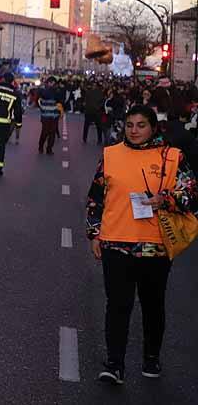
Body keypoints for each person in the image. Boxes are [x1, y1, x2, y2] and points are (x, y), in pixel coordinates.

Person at [86, 105, 197, 385]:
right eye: (129, 125)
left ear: (153, 127)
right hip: (116, 244)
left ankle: (151, 356)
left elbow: (192, 196)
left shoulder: (172, 157)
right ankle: (114, 364)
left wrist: (166, 199)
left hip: (155, 246)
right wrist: (94, 234)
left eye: (141, 125)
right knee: (118, 305)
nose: (134, 131)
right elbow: (95, 197)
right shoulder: (111, 154)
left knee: (152, 305)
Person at [37, 76, 63, 155]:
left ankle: (49, 149)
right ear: (48, 83)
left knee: (52, 133)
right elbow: (39, 100)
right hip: (46, 115)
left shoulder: (55, 92)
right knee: (45, 132)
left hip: (53, 115)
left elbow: (60, 101)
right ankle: (41, 146)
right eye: (52, 83)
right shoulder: (44, 91)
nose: (53, 85)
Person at [82, 80, 106, 146]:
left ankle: (84, 138)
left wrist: (86, 108)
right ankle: (99, 139)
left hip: (89, 111)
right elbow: (102, 102)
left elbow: (85, 102)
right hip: (97, 112)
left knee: (86, 125)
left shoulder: (88, 92)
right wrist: (98, 107)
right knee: (99, 126)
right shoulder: (100, 93)